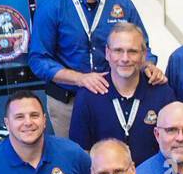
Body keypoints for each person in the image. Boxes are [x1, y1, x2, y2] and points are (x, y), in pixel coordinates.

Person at [28, 0, 159, 139]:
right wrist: (80, 79)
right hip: (67, 102)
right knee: (77, 162)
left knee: (112, 161)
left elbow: (143, 47)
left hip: (112, 100)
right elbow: (38, 59)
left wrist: (149, 65)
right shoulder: (52, 6)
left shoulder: (121, 4)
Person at [67, 22, 176, 165]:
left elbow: (173, 147)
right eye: (118, 50)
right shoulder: (88, 95)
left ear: (144, 55)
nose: (125, 58)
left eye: (132, 51)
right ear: (107, 53)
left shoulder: (162, 93)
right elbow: (81, 152)